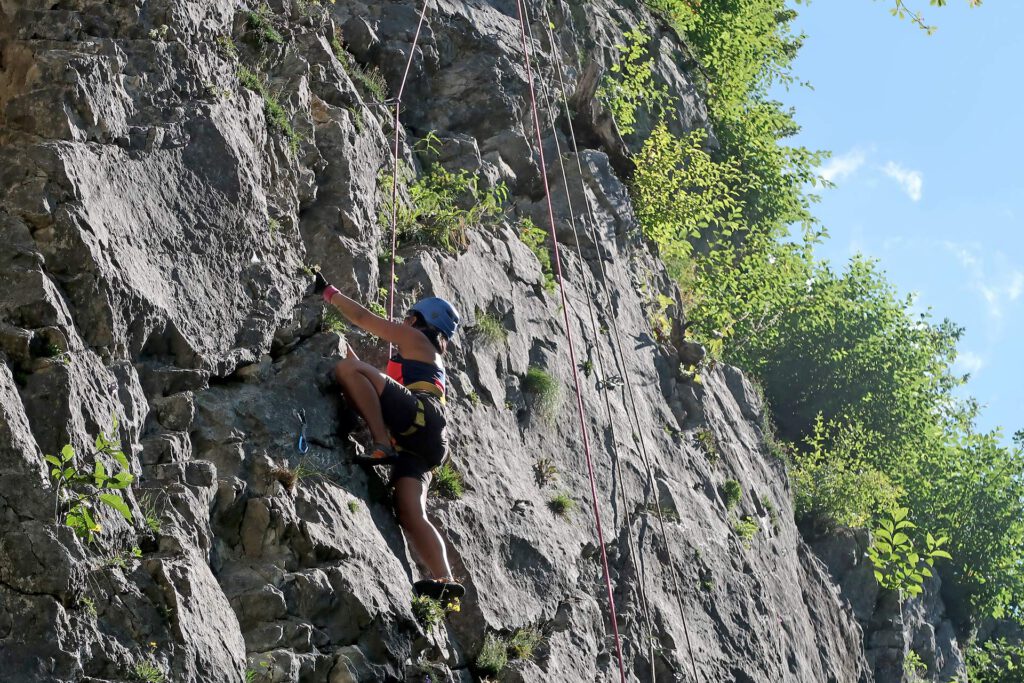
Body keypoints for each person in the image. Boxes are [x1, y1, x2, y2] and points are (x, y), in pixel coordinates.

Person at [315, 272, 465, 602]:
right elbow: (374, 384)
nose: (403, 320)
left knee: (344, 371)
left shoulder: (416, 339)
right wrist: (343, 348)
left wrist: (328, 292)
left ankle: (381, 444)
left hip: (419, 419)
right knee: (410, 513)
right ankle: (445, 582)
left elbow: (363, 318)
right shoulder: (419, 355)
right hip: (426, 441)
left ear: (417, 319)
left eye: (408, 317)